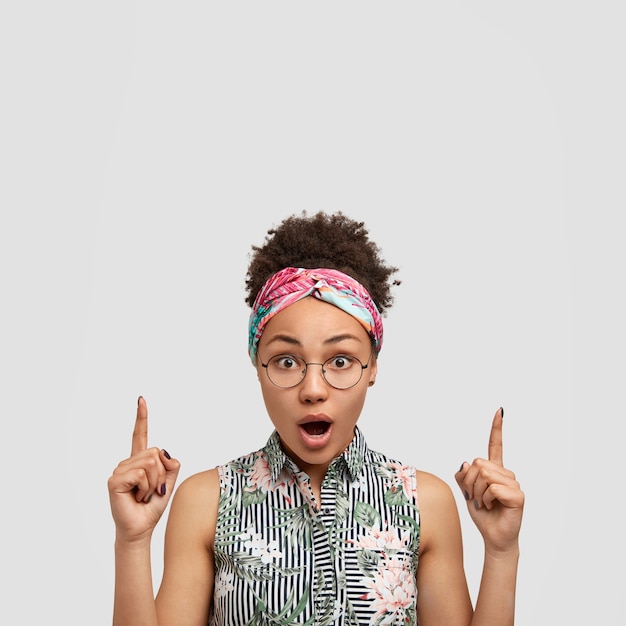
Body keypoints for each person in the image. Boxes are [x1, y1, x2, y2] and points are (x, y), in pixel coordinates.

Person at [108, 210, 524, 625]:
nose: (313, 389)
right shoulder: (207, 502)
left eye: (340, 360)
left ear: (373, 366)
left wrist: (502, 551)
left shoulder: (423, 503)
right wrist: (132, 540)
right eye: (286, 361)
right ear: (257, 366)